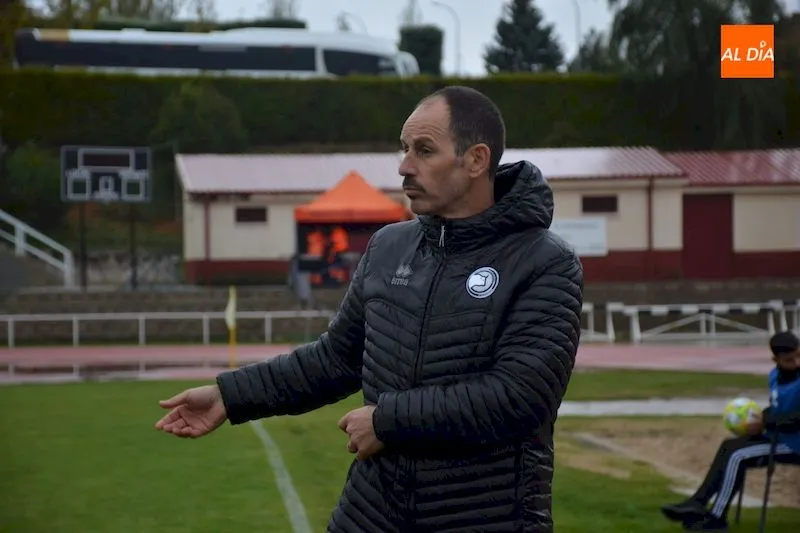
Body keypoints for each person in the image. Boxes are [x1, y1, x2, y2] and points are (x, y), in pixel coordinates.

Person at [154, 85, 584, 532]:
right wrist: (230, 395)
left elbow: (518, 398)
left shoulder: (544, 263)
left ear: (476, 160)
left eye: (423, 150)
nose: (404, 166)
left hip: (485, 518)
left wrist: (387, 420)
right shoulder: (388, 246)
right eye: (403, 148)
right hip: (370, 515)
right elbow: (336, 358)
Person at [660, 330, 800, 531]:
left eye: (799, 355)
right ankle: (698, 502)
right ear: (775, 359)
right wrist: (758, 419)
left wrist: (766, 422)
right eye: (789, 359)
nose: (796, 362)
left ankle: (717, 518)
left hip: (794, 444)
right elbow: (778, 408)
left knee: (738, 456)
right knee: (729, 446)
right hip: (778, 436)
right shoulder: (775, 376)